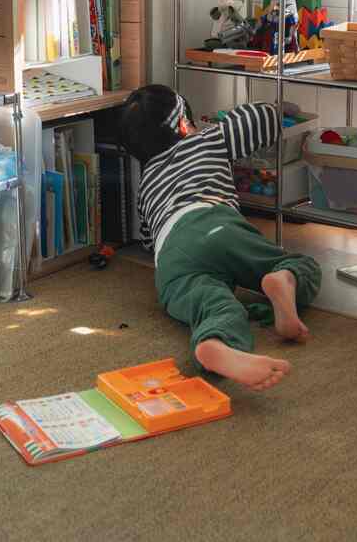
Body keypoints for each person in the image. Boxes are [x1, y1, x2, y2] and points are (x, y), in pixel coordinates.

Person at [120, 84, 321, 391]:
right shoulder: (209, 138)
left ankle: (216, 343)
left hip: (172, 247)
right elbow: (261, 119)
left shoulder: (146, 182)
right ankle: (282, 278)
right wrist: (280, 110)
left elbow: (148, 241)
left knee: (212, 303)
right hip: (218, 221)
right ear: (185, 124)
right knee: (302, 265)